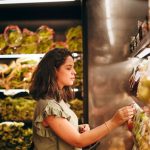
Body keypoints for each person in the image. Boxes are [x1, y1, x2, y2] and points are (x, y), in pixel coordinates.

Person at [29, 48, 135, 150]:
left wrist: (76, 128)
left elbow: (58, 131)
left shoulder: (57, 100)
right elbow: (78, 141)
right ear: (54, 71)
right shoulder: (49, 107)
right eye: (68, 68)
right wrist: (114, 121)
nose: (74, 72)